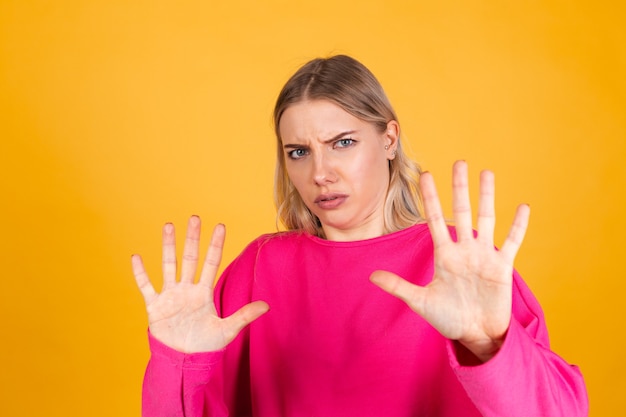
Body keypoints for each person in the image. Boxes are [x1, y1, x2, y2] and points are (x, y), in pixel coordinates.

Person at [132, 55, 588, 416]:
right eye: (299, 152)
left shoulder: (459, 261)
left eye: (343, 143)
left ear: (389, 139)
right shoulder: (259, 268)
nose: (320, 173)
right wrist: (178, 363)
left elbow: (562, 412)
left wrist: (491, 346)